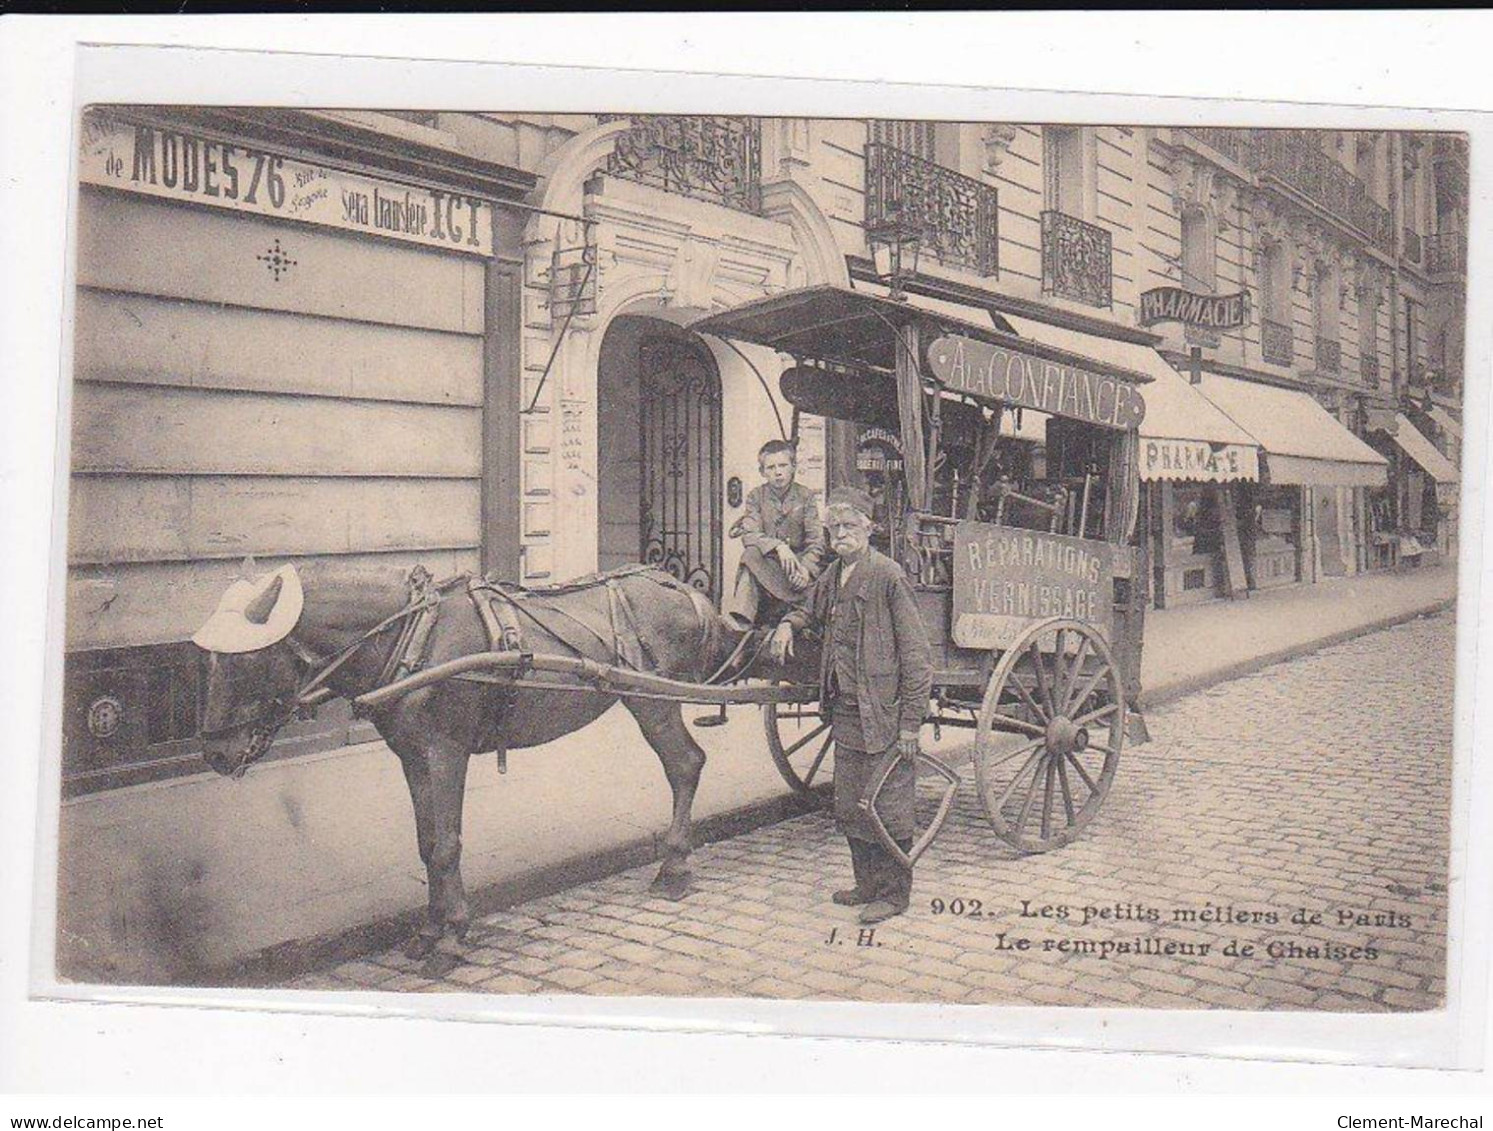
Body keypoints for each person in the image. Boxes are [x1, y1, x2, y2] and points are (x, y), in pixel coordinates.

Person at [769, 486, 933, 924]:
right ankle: (866, 884)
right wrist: (788, 623)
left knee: (889, 807)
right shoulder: (836, 574)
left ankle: (895, 894)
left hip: (884, 711)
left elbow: (917, 658)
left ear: (868, 529)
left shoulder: (887, 576)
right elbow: (810, 608)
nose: (841, 533)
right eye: (834, 527)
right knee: (850, 803)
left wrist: (911, 724)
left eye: (850, 526)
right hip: (845, 709)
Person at [725, 440, 826, 628]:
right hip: (768, 567)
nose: (778, 472)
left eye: (783, 465)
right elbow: (749, 534)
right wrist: (779, 547)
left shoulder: (806, 496)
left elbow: (816, 541)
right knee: (750, 554)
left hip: (797, 571)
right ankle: (742, 621)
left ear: (793, 467)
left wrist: (805, 570)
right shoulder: (756, 496)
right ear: (762, 472)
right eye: (771, 467)